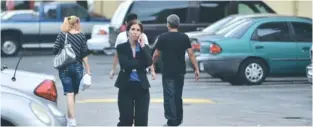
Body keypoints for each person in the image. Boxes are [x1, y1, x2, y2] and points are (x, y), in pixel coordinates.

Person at [152, 14, 200, 126]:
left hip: (168, 71)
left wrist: (151, 65)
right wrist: (196, 69)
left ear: (168, 24)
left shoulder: (163, 37)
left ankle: (171, 120)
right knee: (178, 95)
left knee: (169, 95)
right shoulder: (184, 37)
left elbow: (156, 54)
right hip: (180, 71)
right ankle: (178, 118)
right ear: (178, 24)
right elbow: (191, 54)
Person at [53, 15, 91, 127]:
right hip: (78, 68)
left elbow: (55, 50)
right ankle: (70, 119)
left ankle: (72, 121)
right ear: (76, 23)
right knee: (73, 94)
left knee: (69, 94)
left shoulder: (62, 34)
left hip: (65, 67)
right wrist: (88, 69)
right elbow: (84, 54)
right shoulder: (81, 36)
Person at [115, 20, 152, 126]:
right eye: (133, 29)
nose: (135, 32)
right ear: (128, 31)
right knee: (126, 120)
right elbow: (125, 64)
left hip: (142, 87)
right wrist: (140, 63)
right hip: (126, 87)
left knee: (142, 121)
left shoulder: (145, 47)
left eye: (138, 30)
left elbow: (149, 62)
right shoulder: (121, 47)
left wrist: (143, 46)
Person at [110, 13, 155, 80]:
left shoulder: (141, 36)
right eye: (133, 29)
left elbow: (116, 55)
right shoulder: (142, 36)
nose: (135, 32)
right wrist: (152, 71)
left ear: (125, 23)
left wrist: (113, 70)